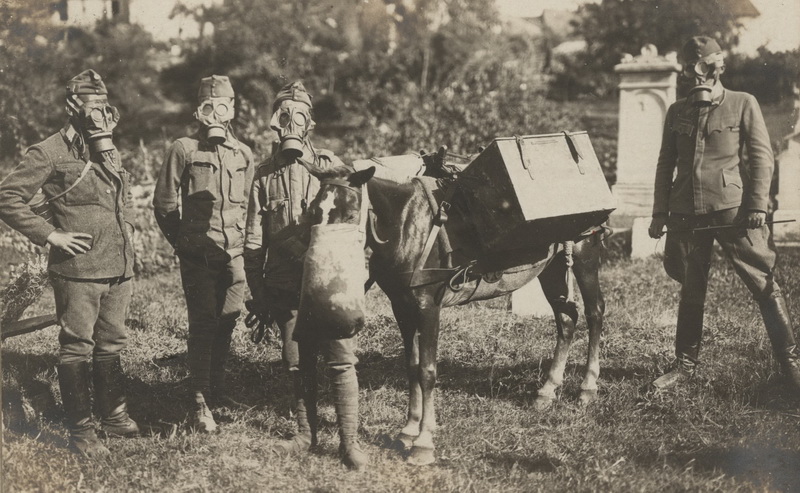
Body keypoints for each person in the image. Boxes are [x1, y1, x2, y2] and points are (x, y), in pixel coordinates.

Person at [649, 36, 800, 391]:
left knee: (763, 282)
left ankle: (790, 364)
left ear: (718, 67)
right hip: (686, 212)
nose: (697, 77)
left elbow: (762, 158)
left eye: (702, 68)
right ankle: (684, 365)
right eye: (691, 70)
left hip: (734, 211)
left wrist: (758, 205)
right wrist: (659, 212)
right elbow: (664, 164)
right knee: (691, 288)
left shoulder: (742, 103)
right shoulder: (677, 111)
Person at [0, 69, 139, 457]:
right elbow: (7, 196)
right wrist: (51, 235)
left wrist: (127, 226)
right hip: (78, 271)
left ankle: (114, 416)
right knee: (77, 347)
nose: (97, 113)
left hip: (118, 267)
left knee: (112, 343)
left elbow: (121, 195)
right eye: (89, 104)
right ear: (71, 106)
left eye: (102, 104)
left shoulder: (107, 147)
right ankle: (81, 433)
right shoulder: (48, 152)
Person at [244, 81, 368, 469]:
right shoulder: (263, 176)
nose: (291, 123)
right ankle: (304, 434)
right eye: (284, 115)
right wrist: (258, 292)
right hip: (284, 286)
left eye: (298, 116)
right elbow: (252, 240)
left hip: (327, 284)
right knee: (295, 361)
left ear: (309, 123)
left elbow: (355, 225)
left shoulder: (331, 168)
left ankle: (349, 442)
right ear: (274, 123)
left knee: (341, 360)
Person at [153, 75, 254, 432]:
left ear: (232, 110)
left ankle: (217, 389)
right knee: (203, 324)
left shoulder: (243, 154)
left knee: (228, 320)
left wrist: (244, 246)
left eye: (222, 106)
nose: (215, 114)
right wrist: (183, 243)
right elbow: (164, 204)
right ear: (198, 111)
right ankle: (198, 400)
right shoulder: (183, 149)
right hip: (198, 256)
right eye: (208, 107)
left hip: (234, 255)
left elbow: (250, 207)